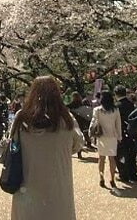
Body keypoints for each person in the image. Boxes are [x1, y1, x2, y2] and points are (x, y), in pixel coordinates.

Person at [9, 76, 84, 220]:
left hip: (27, 185)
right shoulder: (66, 119)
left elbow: (9, 147)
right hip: (58, 186)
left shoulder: (22, 118)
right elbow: (77, 144)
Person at [90, 90, 122, 193]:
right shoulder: (116, 110)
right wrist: (119, 136)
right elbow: (118, 125)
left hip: (101, 136)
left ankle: (101, 177)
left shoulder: (97, 110)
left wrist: (91, 135)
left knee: (101, 158)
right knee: (112, 159)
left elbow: (93, 123)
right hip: (112, 136)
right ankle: (112, 179)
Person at [115, 85, 137, 183]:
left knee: (120, 155)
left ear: (116, 94)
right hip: (132, 132)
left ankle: (124, 175)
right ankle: (133, 174)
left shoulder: (116, 106)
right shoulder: (131, 104)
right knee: (132, 154)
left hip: (121, 133)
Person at [67, 92, 90, 159]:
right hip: (81, 122)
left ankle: (72, 150)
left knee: (72, 136)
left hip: (73, 121)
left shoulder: (71, 105)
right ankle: (79, 152)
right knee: (80, 136)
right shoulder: (81, 104)